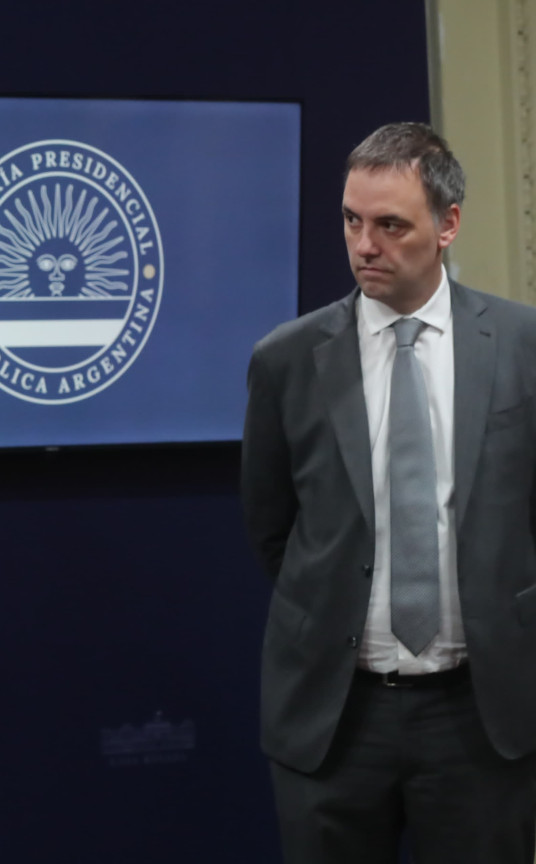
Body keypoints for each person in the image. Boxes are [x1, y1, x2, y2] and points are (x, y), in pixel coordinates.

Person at [241, 122, 536, 863]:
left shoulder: (523, 346)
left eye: (390, 225)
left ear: (448, 226)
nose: (364, 245)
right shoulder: (286, 360)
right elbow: (273, 529)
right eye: (351, 220)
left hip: (479, 715)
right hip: (336, 718)